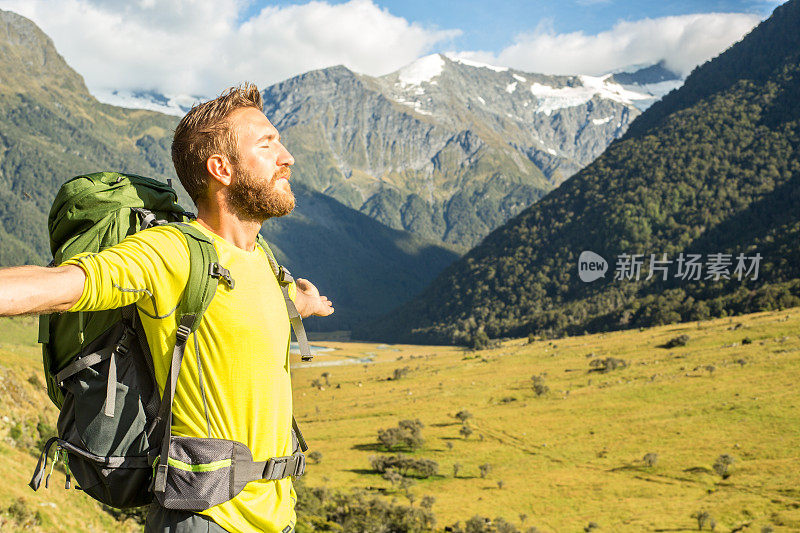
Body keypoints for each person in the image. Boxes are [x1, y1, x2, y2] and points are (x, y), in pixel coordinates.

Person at [0, 83, 333, 532]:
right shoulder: (172, 253)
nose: (287, 156)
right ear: (222, 169)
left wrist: (304, 302)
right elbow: (70, 284)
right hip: (208, 518)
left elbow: (253, 307)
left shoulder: (261, 258)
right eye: (267, 144)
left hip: (278, 517)